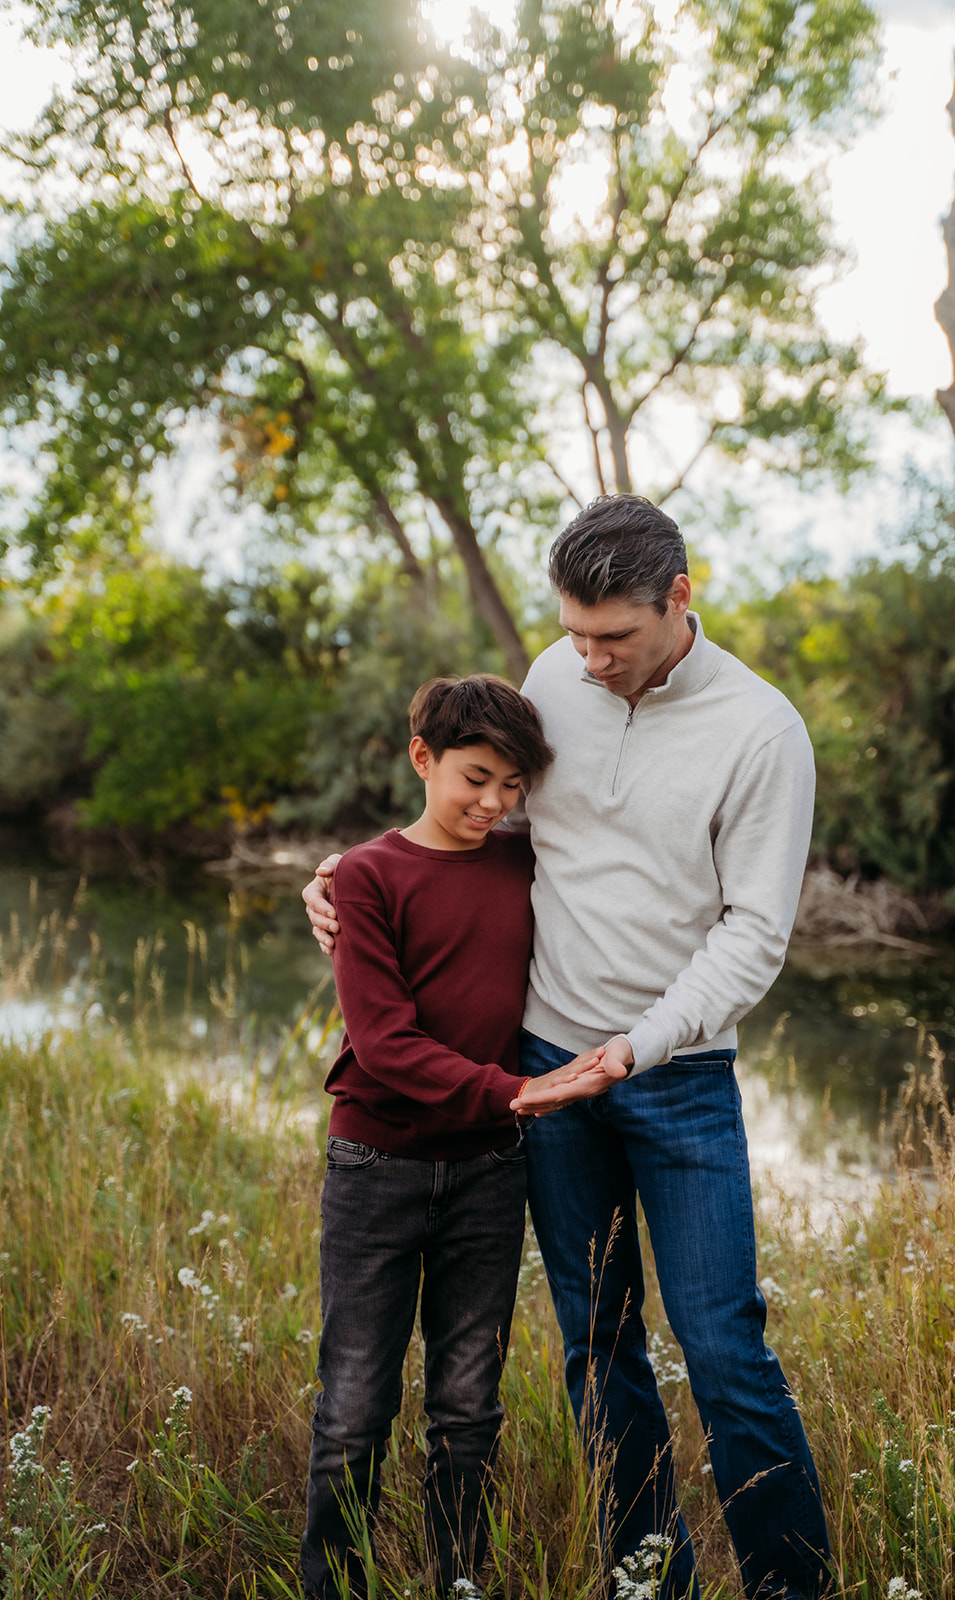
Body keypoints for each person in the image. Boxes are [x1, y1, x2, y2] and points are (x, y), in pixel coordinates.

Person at [304, 496, 833, 1600]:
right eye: (574, 631)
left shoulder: (760, 731)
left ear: (677, 598)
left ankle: (792, 1586)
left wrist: (634, 1049)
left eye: (613, 638)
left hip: (676, 1079)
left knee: (726, 1350)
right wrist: (347, 884)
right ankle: (651, 1574)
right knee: (598, 1348)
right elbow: (487, 827)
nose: (587, 659)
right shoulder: (555, 675)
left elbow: (753, 936)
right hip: (547, 1075)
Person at [300, 674, 614, 1600]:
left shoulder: (524, 861)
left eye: (513, 785)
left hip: (485, 1175)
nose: (493, 802)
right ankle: (335, 1587)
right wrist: (516, 1092)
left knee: (468, 1406)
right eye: (475, 777)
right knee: (356, 1404)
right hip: (377, 1167)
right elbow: (386, 1047)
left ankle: (458, 1582)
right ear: (422, 759)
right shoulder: (364, 876)